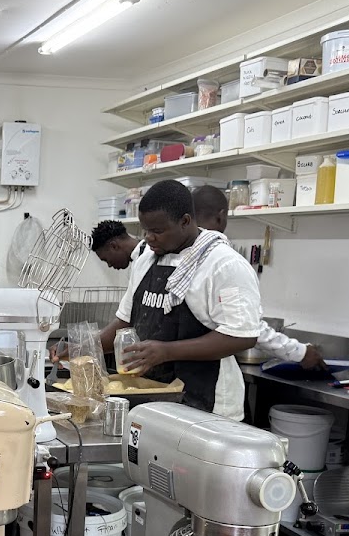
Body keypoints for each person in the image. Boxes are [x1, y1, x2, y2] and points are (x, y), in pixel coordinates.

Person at [97, 179, 261, 419]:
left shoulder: (223, 265)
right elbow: (125, 320)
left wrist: (166, 351)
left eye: (157, 231)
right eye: (145, 231)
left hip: (207, 405)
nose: (149, 238)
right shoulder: (146, 260)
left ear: (185, 221)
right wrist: (85, 347)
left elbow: (242, 336)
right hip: (151, 397)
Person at [191, 185, 324, 369]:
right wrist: (300, 352)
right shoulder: (225, 263)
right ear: (221, 216)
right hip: (209, 372)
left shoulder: (178, 255)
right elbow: (246, 329)